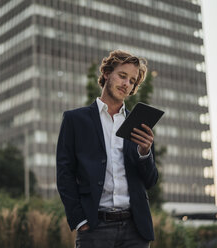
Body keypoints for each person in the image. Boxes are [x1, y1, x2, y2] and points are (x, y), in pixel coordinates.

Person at [56, 50, 158, 248]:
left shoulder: (138, 124)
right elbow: (64, 174)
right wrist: (79, 221)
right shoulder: (75, 120)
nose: (126, 84)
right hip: (94, 229)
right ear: (106, 74)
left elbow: (151, 180)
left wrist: (145, 153)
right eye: (122, 76)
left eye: (132, 80)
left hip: (135, 231)